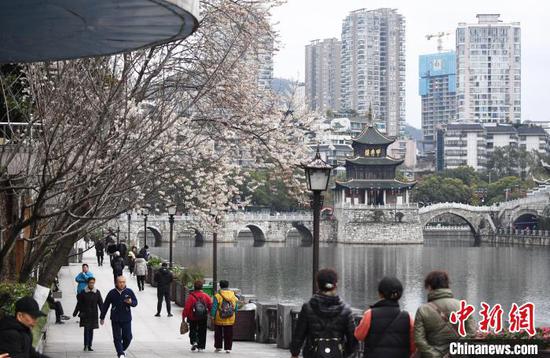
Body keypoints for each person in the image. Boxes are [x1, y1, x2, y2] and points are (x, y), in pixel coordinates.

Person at [290, 268, 357, 358]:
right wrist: (344, 353)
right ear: (336, 285)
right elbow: (352, 341)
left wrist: (295, 353)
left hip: (313, 354)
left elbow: (298, 335)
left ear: (318, 284)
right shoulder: (346, 310)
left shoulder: (308, 308)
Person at [414, 271, 477, 358]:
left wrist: (434, 355)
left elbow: (419, 340)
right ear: (447, 285)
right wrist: (453, 353)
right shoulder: (462, 306)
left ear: (429, 287)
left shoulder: (423, 310)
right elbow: (471, 333)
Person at [355, 276, 415, 357]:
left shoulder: (369, 314)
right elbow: (413, 345)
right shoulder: (408, 317)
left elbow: (359, 336)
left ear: (380, 294)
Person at [100, 276, 138, 358]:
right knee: (117, 337)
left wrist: (131, 302)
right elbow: (105, 305)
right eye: (120, 282)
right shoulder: (112, 293)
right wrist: (102, 317)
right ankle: (120, 353)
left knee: (128, 337)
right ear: (116, 283)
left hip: (126, 318)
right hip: (115, 318)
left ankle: (122, 349)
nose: (122, 284)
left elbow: (135, 303)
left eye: (123, 282)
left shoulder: (129, 291)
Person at [73, 277, 103, 351]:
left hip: (93, 314)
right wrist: (75, 312)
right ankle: (85, 345)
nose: (91, 284)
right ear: (87, 283)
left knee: (91, 330)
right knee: (86, 330)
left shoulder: (97, 292)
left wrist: (103, 314)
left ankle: (89, 345)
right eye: (90, 283)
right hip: (85, 314)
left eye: (93, 283)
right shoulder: (83, 292)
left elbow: (101, 304)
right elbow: (79, 303)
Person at [183, 280, 213, 352]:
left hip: (192, 316)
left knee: (193, 329)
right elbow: (210, 305)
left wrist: (184, 316)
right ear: (202, 287)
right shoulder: (206, 296)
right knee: (202, 331)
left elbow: (187, 307)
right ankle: (201, 347)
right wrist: (210, 313)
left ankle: (194, 341)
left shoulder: (191, 296)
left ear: (194, 287)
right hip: (203, 316)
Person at [210, 280, 238, 353]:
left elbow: (214, 307)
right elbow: (236, 308)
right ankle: (228, 348)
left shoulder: (218, 295)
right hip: (230, 317)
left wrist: (212, 316)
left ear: (220, 286)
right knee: (229, 333)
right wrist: (234, 314)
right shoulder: (233, 295)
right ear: (228, 286)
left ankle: (218, 347)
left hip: (220, 317)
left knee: (218, 333)